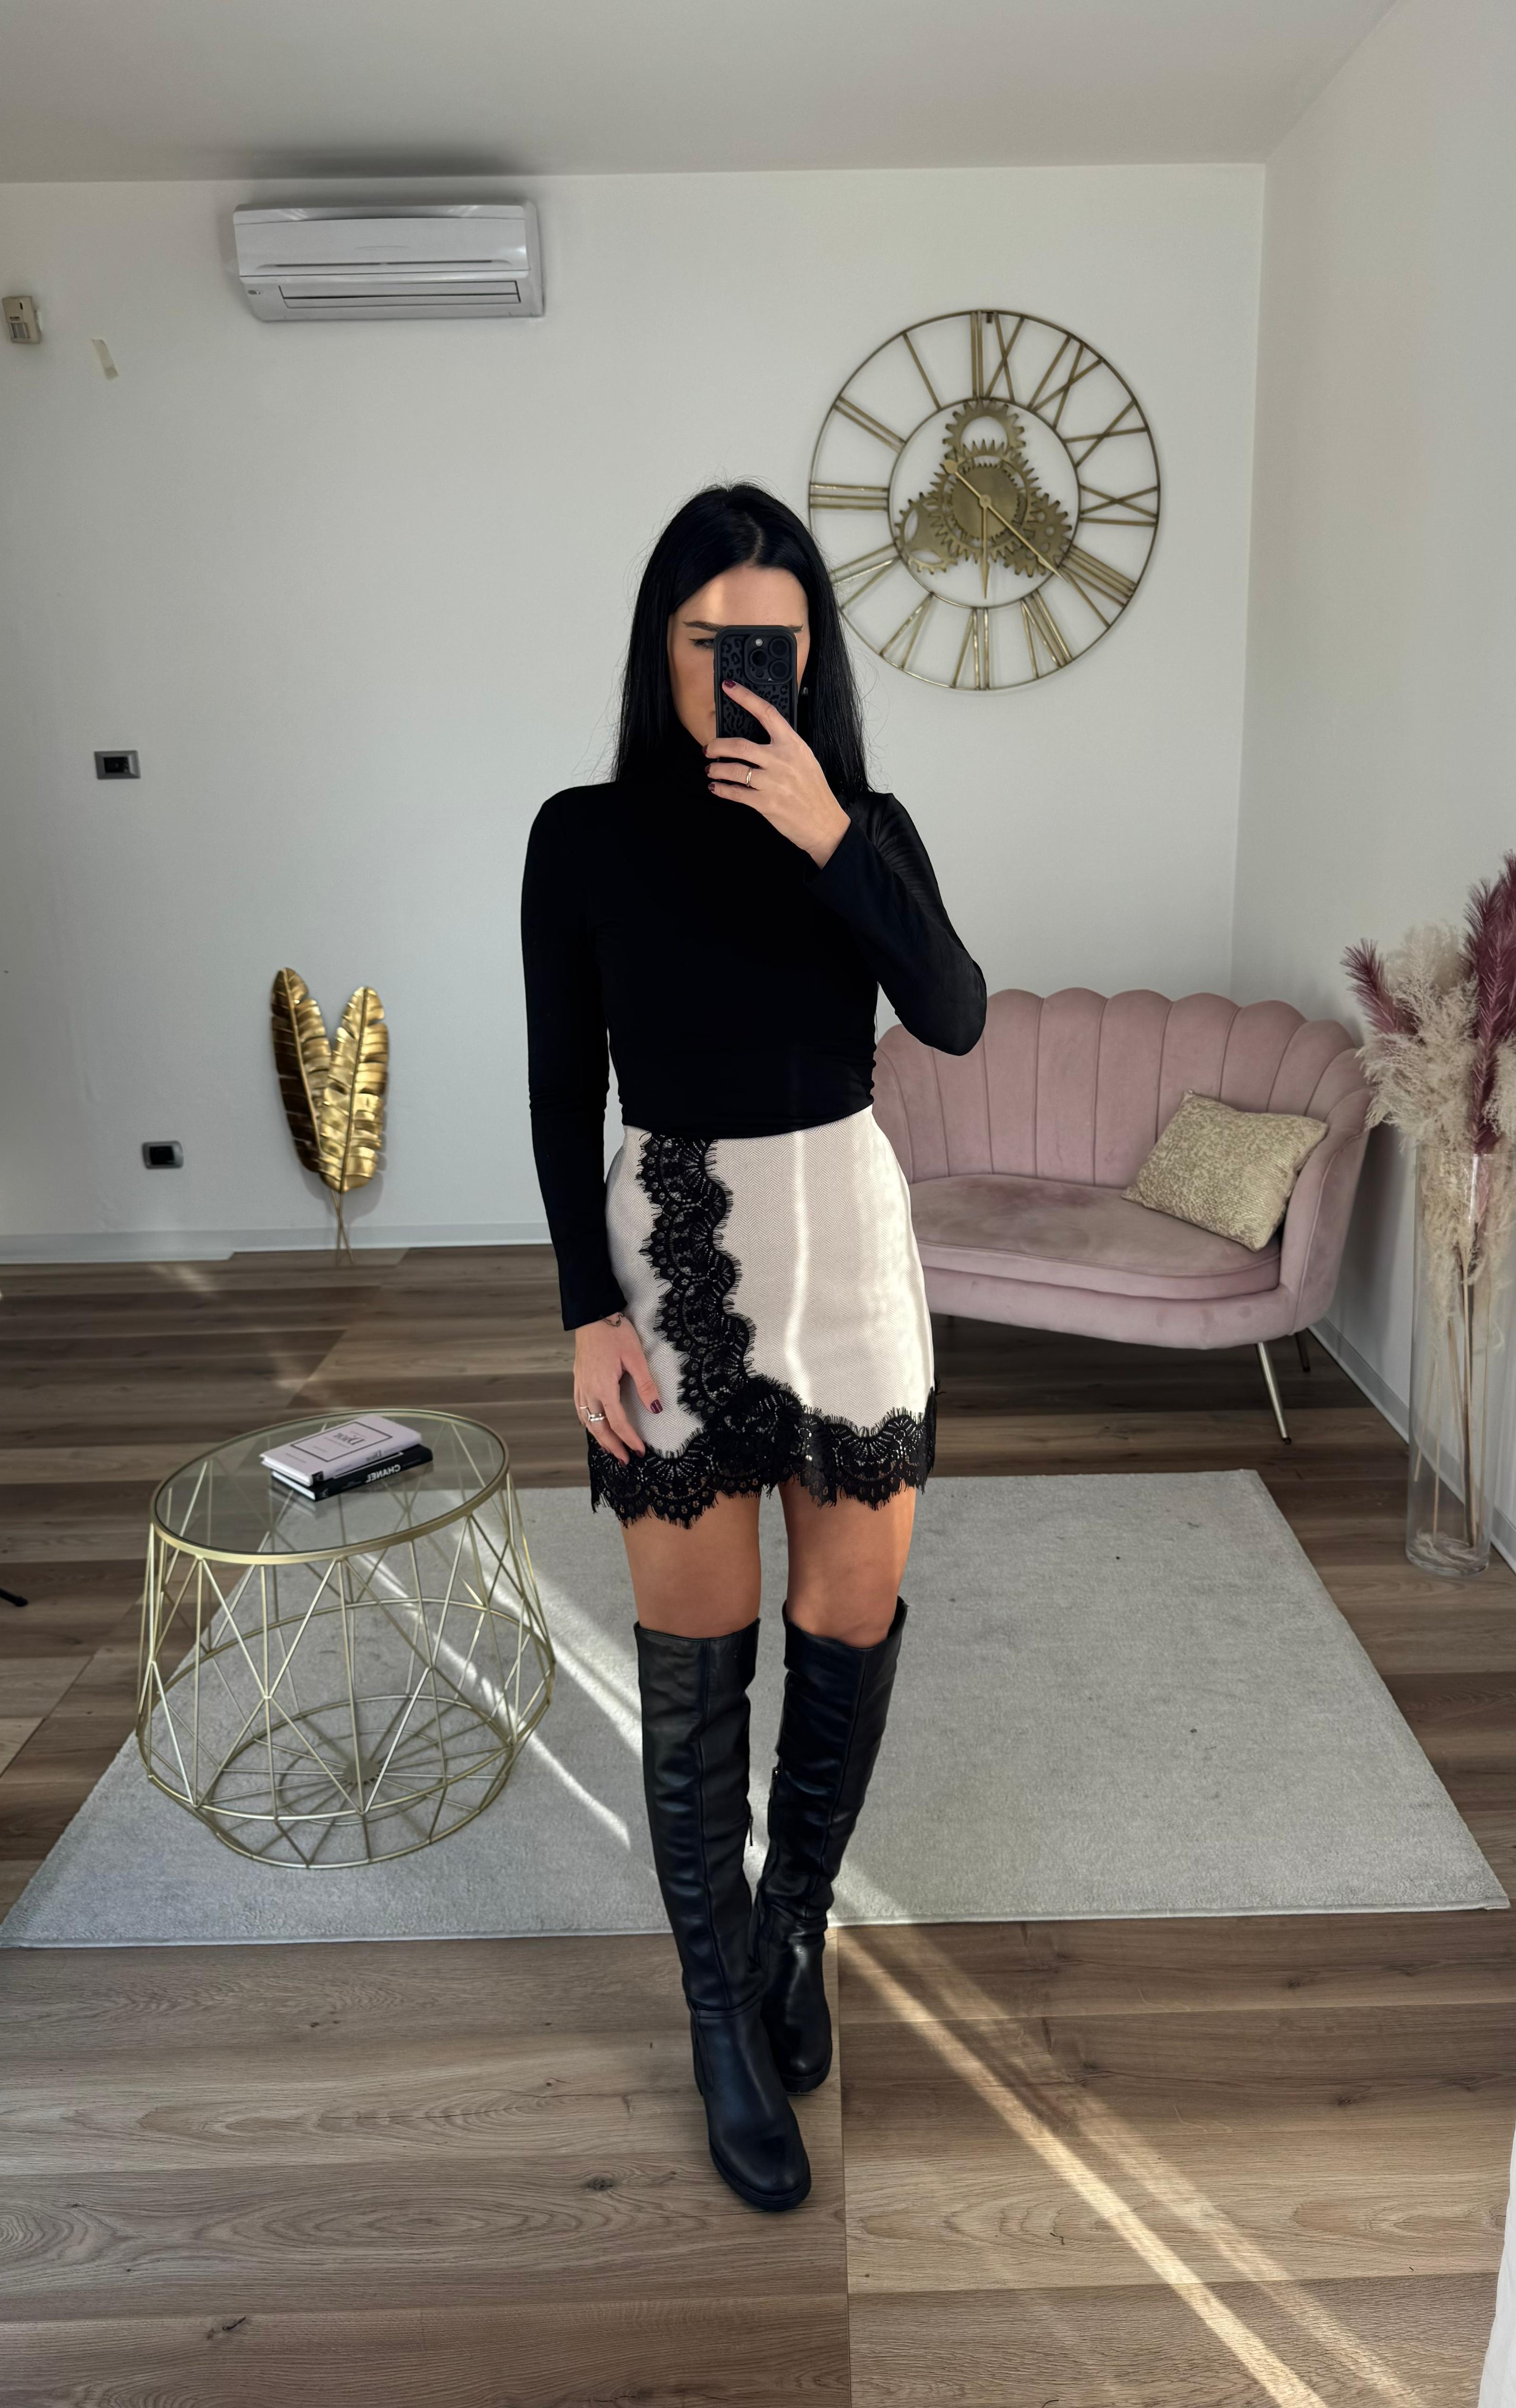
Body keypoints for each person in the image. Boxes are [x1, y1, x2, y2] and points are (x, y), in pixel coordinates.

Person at [519, 482, 986, 2214]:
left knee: (848, 1623)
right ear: (662, 648)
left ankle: (795, 1932)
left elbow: (953, 1014)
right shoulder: (582, 836)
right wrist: (585, 1307)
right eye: (710, 639)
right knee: (695, 1659)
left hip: (850, 1250)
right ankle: (721, 2014)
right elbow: (562, 1089)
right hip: (674, 1258)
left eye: (771, 642)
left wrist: (830, 834)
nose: (740, 668)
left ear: (815, 656)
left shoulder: (865, 823)